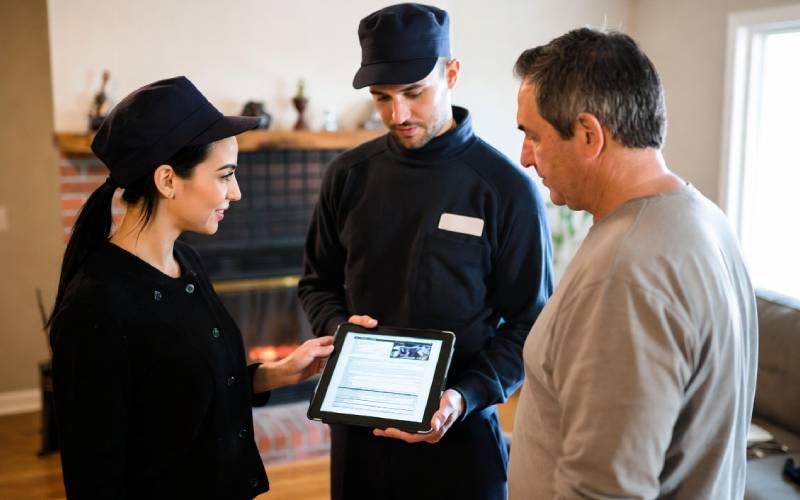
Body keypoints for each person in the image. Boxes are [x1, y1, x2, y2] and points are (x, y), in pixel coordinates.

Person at [298, 3, 553, 499]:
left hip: (460, 431)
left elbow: (531, 324)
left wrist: (463, 397)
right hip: (360, 432)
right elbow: (317, 283)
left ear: (452, 73)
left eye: (415, 93)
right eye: (382, 97)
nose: (398, 114)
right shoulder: (347, 177)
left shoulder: (505, 190)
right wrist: (337, 328)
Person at [48, 76, 334, 499]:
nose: (236, 193)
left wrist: (273, 374)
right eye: (225, 176)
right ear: (166, 180)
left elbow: (179, 389)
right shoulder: (96, 305)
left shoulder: (188, 263)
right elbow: (93, 476)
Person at [508, 28, 758, 499]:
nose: (525, 157)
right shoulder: (706, 220)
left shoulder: (624, 274)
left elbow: (605, 490)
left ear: (588, 135)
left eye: (534, 136)